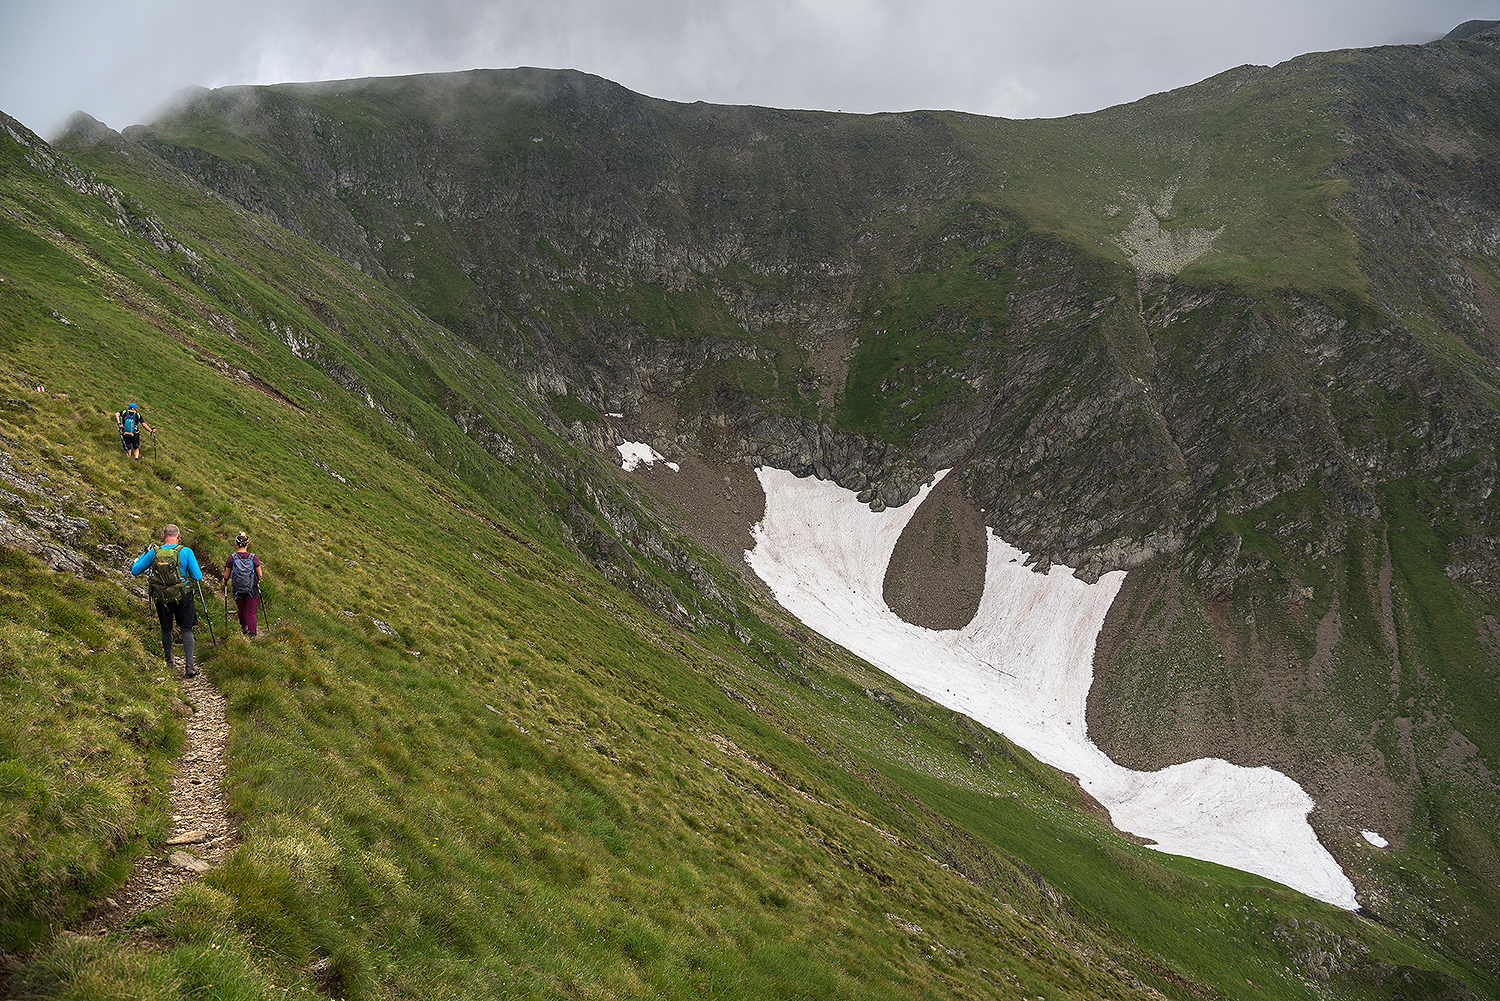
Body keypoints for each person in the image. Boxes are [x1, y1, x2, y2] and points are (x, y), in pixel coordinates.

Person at [130, 524, 204, 677]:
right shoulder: (185, 551)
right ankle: (189, 665)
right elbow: (197, 576)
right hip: (183, 595)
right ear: (178, 536)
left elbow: (135, 570)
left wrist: (145, 553)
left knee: (166, 629)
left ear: (162, 536)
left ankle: (169, 662)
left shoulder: (155, 552)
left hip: (162, 596)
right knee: (186, 629)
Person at [225, 532, 263, 638]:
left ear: (236, 544)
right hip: (252, 588)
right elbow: (260, 574)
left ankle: (244, 627)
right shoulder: (253, 557)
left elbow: (226, 576)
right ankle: (252, 633)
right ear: (247, 544)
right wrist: (257, 581)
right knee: (251, 611)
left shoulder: (231, 558)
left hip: (238, 588)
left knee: (241, 609)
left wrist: (225, 581)